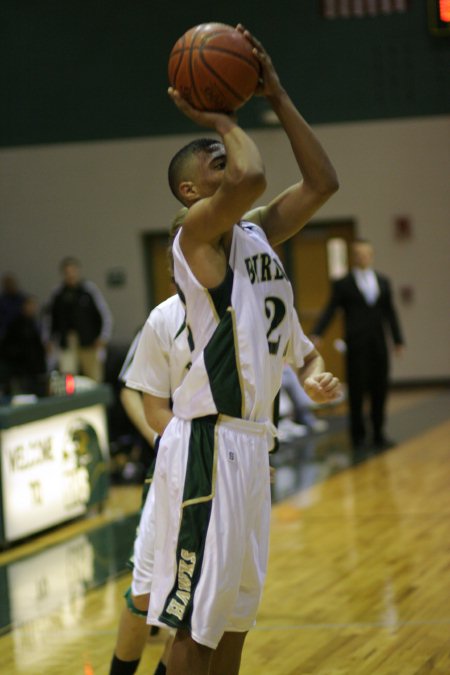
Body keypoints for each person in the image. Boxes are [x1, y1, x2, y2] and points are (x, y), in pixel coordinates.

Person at [136, 25, 340, 675]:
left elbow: (323, 181)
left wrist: (276, 95)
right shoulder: (195, 239)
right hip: (210, 442)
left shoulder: (255, 233)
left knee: (234, 624)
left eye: (220, 148)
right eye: (209, 160)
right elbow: (250, 172)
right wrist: (224, 116)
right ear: (192, 192)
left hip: (254, 443)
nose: (221, 158)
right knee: (195, 626)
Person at [311, 238, 405, 451]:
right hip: (356, 344)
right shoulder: (344, 283)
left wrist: (398, 339)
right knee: (357, 390)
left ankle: (379, 433)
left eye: (366, 254)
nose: (363, 257)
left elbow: (390, 313)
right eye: (359, 254)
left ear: (371, 256)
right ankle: (358, 436)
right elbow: (331, 309)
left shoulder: (382, 281)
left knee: (380, 389)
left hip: (378, 343)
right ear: (354, 257)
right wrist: (317, 333)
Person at [47, 256, 113, 382]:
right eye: (67, 272)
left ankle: (96, 401)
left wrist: (103, 337)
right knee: (68, 376)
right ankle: (71, 400)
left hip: (89, 339)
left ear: (77, 271)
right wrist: (49, 340)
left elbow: (104, 314)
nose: (70, 275)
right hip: (67, 340)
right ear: (63, 274)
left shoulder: (89, 290)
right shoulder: (58, 293)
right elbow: (50, 318)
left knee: (93, 376)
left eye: (73, 271)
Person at [1, 294, 47, 395]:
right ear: (24, 306)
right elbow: (8, 347)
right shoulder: (16, 324)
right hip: (22, 370)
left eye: (33, 305)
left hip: (35, 370)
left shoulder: (34, 323)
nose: (32, 308)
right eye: (29, 305)